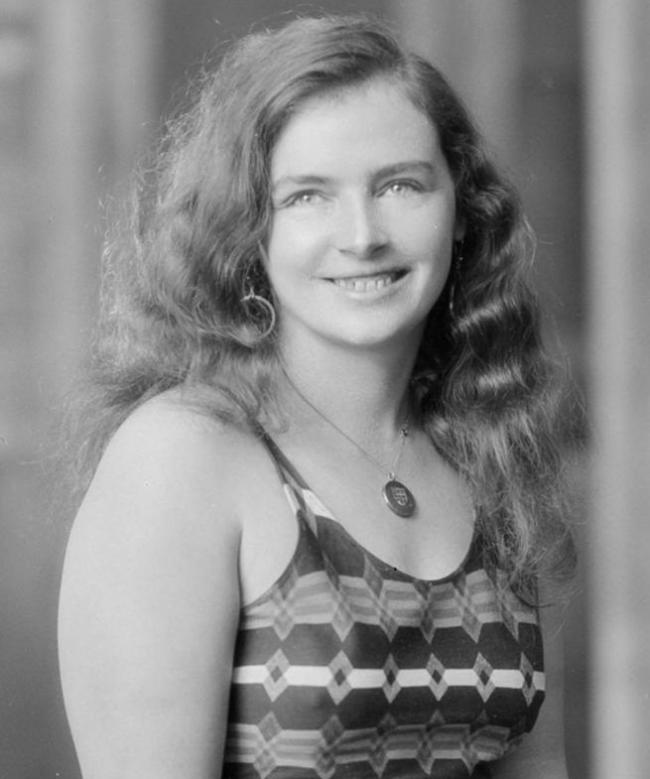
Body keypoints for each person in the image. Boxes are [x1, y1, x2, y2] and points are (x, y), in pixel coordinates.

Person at [57, 14, 576, 779]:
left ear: (461, 211)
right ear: (247, 229)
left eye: (400, 184)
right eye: (307, 197)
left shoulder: (490, 448)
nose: (362, 234)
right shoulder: (184, 455)